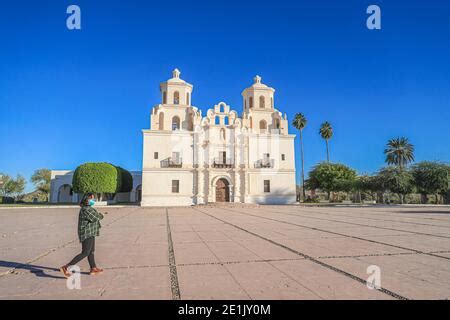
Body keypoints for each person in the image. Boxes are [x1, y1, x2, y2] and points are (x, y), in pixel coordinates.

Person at [60, 192, 106, 277]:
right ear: (87, 200)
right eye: (91, 198)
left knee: (91, 251)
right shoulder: (86, 209)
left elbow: (94, 216)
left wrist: (99, 215)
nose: (93, 200)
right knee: (85, 252)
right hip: (86, 233)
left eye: (93, 198)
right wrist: (101, 215)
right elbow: (95, 218)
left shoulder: (88, 208)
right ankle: (66, 267)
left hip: (91, 232)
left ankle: (93, 268)